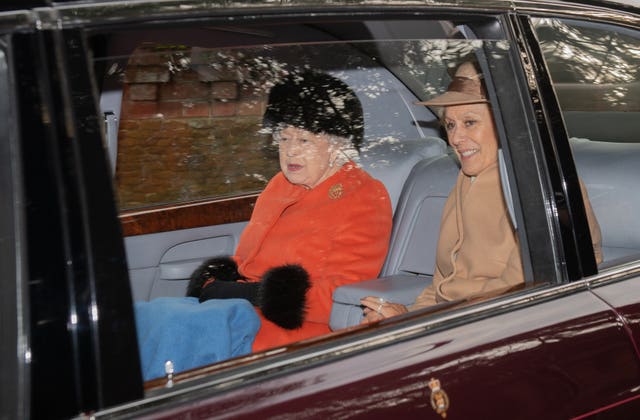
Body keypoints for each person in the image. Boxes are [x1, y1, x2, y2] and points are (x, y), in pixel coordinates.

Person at [361, 61, 602, 322]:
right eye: (451, 125)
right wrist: (405, 315)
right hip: (463, 320)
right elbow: (443, 285)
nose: (455, 138)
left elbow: (522, 290)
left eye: (470, 122)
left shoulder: (538, 185)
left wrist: (412, 322)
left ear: (506, 125)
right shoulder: (465, 181)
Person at [188, 70, 393, 351]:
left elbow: (342, 296)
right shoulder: (279, 184)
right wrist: (218, 282)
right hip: (242, 313)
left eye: (304, 140)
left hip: (294, 330)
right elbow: (246, 261)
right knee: (147, 318)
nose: (290, 151)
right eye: (284, 139)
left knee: (172, 328)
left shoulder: (365, 194)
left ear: (337, 144)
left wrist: (253, 295)